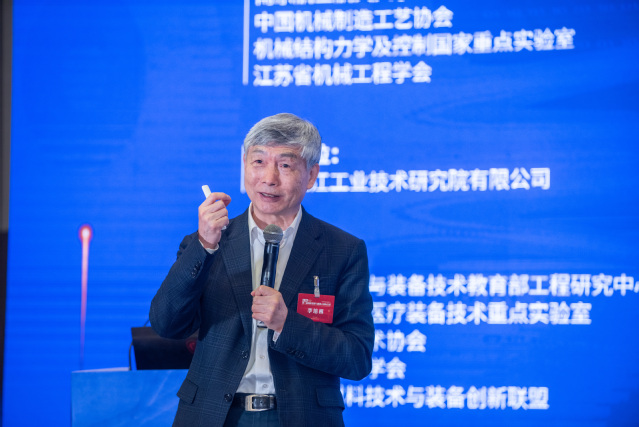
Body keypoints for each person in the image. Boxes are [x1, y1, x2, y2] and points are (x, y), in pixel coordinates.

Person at [150, 113, 374, 427]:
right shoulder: (208, 241)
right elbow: (166, 323)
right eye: (258, 161)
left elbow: (356, 358)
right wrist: (204, 245)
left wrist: (286, 323)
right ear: (244, 165)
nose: (269, 178)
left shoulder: (342, 250)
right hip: (214, 416)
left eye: (285, 165)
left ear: (311, 175)